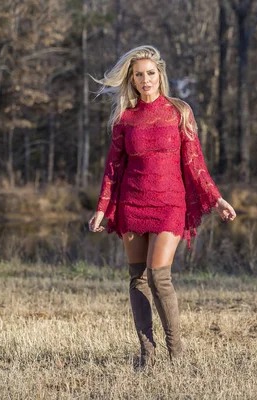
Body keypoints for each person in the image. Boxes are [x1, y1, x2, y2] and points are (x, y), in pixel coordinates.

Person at [88, 45, 236, 367]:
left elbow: (195, 162)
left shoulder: (179, 111)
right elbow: (113, 168)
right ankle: (147, 354)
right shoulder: (124, 119)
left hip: (170, 203)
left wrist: (217, 198)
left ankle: (176, 353)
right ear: (132, 79)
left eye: (150, 74)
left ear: (160, 75)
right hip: (132, 202)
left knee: (159, 276)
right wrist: (102, 208)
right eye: (139, 75)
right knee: (137, 277)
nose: (145, 80)